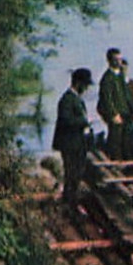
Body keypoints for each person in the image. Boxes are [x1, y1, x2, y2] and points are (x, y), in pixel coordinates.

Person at [53, 67, 94, 204]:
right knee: (71, 174)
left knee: (76, 174)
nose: (87, 88)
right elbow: (65, 121)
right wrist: (84, 121)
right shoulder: (67, 99)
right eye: (86, 85)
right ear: (78, 83)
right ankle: (69, 202)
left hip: (77, 142)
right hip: (70, 143)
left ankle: (72, 201)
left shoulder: (76, 99)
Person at [97, 48, 132, 160]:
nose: (119, 62)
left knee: (125, 139)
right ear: (109, 61)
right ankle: (115, 161)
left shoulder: (121, 76)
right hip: (115, 113)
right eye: (116, 59)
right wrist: (113, 114)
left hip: (125, 111)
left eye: (120, 59)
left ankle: (125, 161)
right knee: (115, 139)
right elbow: (107, 98)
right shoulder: (107, 78)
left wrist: (132, 109)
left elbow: (126, 94)